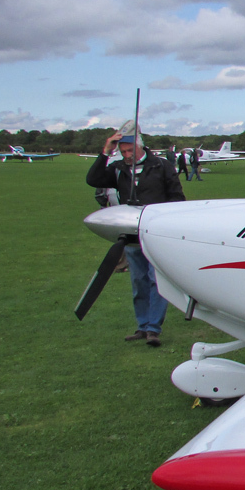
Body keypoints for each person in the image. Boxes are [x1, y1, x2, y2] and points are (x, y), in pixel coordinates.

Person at [85, 120, 185, 348]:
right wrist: (106, 151)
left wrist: (168, 224)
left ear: (141, 146)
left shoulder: (161, 166)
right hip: (130, 234)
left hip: (155, 232)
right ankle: (142, 326)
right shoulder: (118, 169)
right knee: (138, 281)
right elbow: (93, 180)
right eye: (123, 151)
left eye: (130, 150)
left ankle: (153, 329)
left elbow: (177, 199)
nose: (127, 155)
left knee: (154, 279)